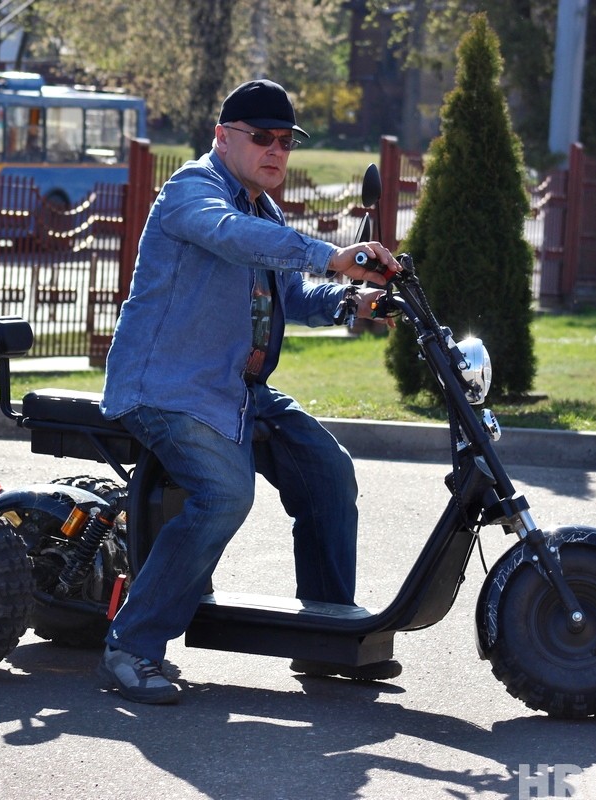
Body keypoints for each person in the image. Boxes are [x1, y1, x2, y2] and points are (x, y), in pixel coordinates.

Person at [97, 79, 402, 704]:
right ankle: (132, 645)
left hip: (234, 390)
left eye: (286, 142)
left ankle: (324, 638)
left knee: (328, 471)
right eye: (262, 137)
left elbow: (291, 295)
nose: (276, 151)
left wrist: (353, 300)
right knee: (225, 493)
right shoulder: (192, 191)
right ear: (222, 136)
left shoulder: (266, 213)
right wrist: (330, 255)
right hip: (166, 389)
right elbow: (229, 236)